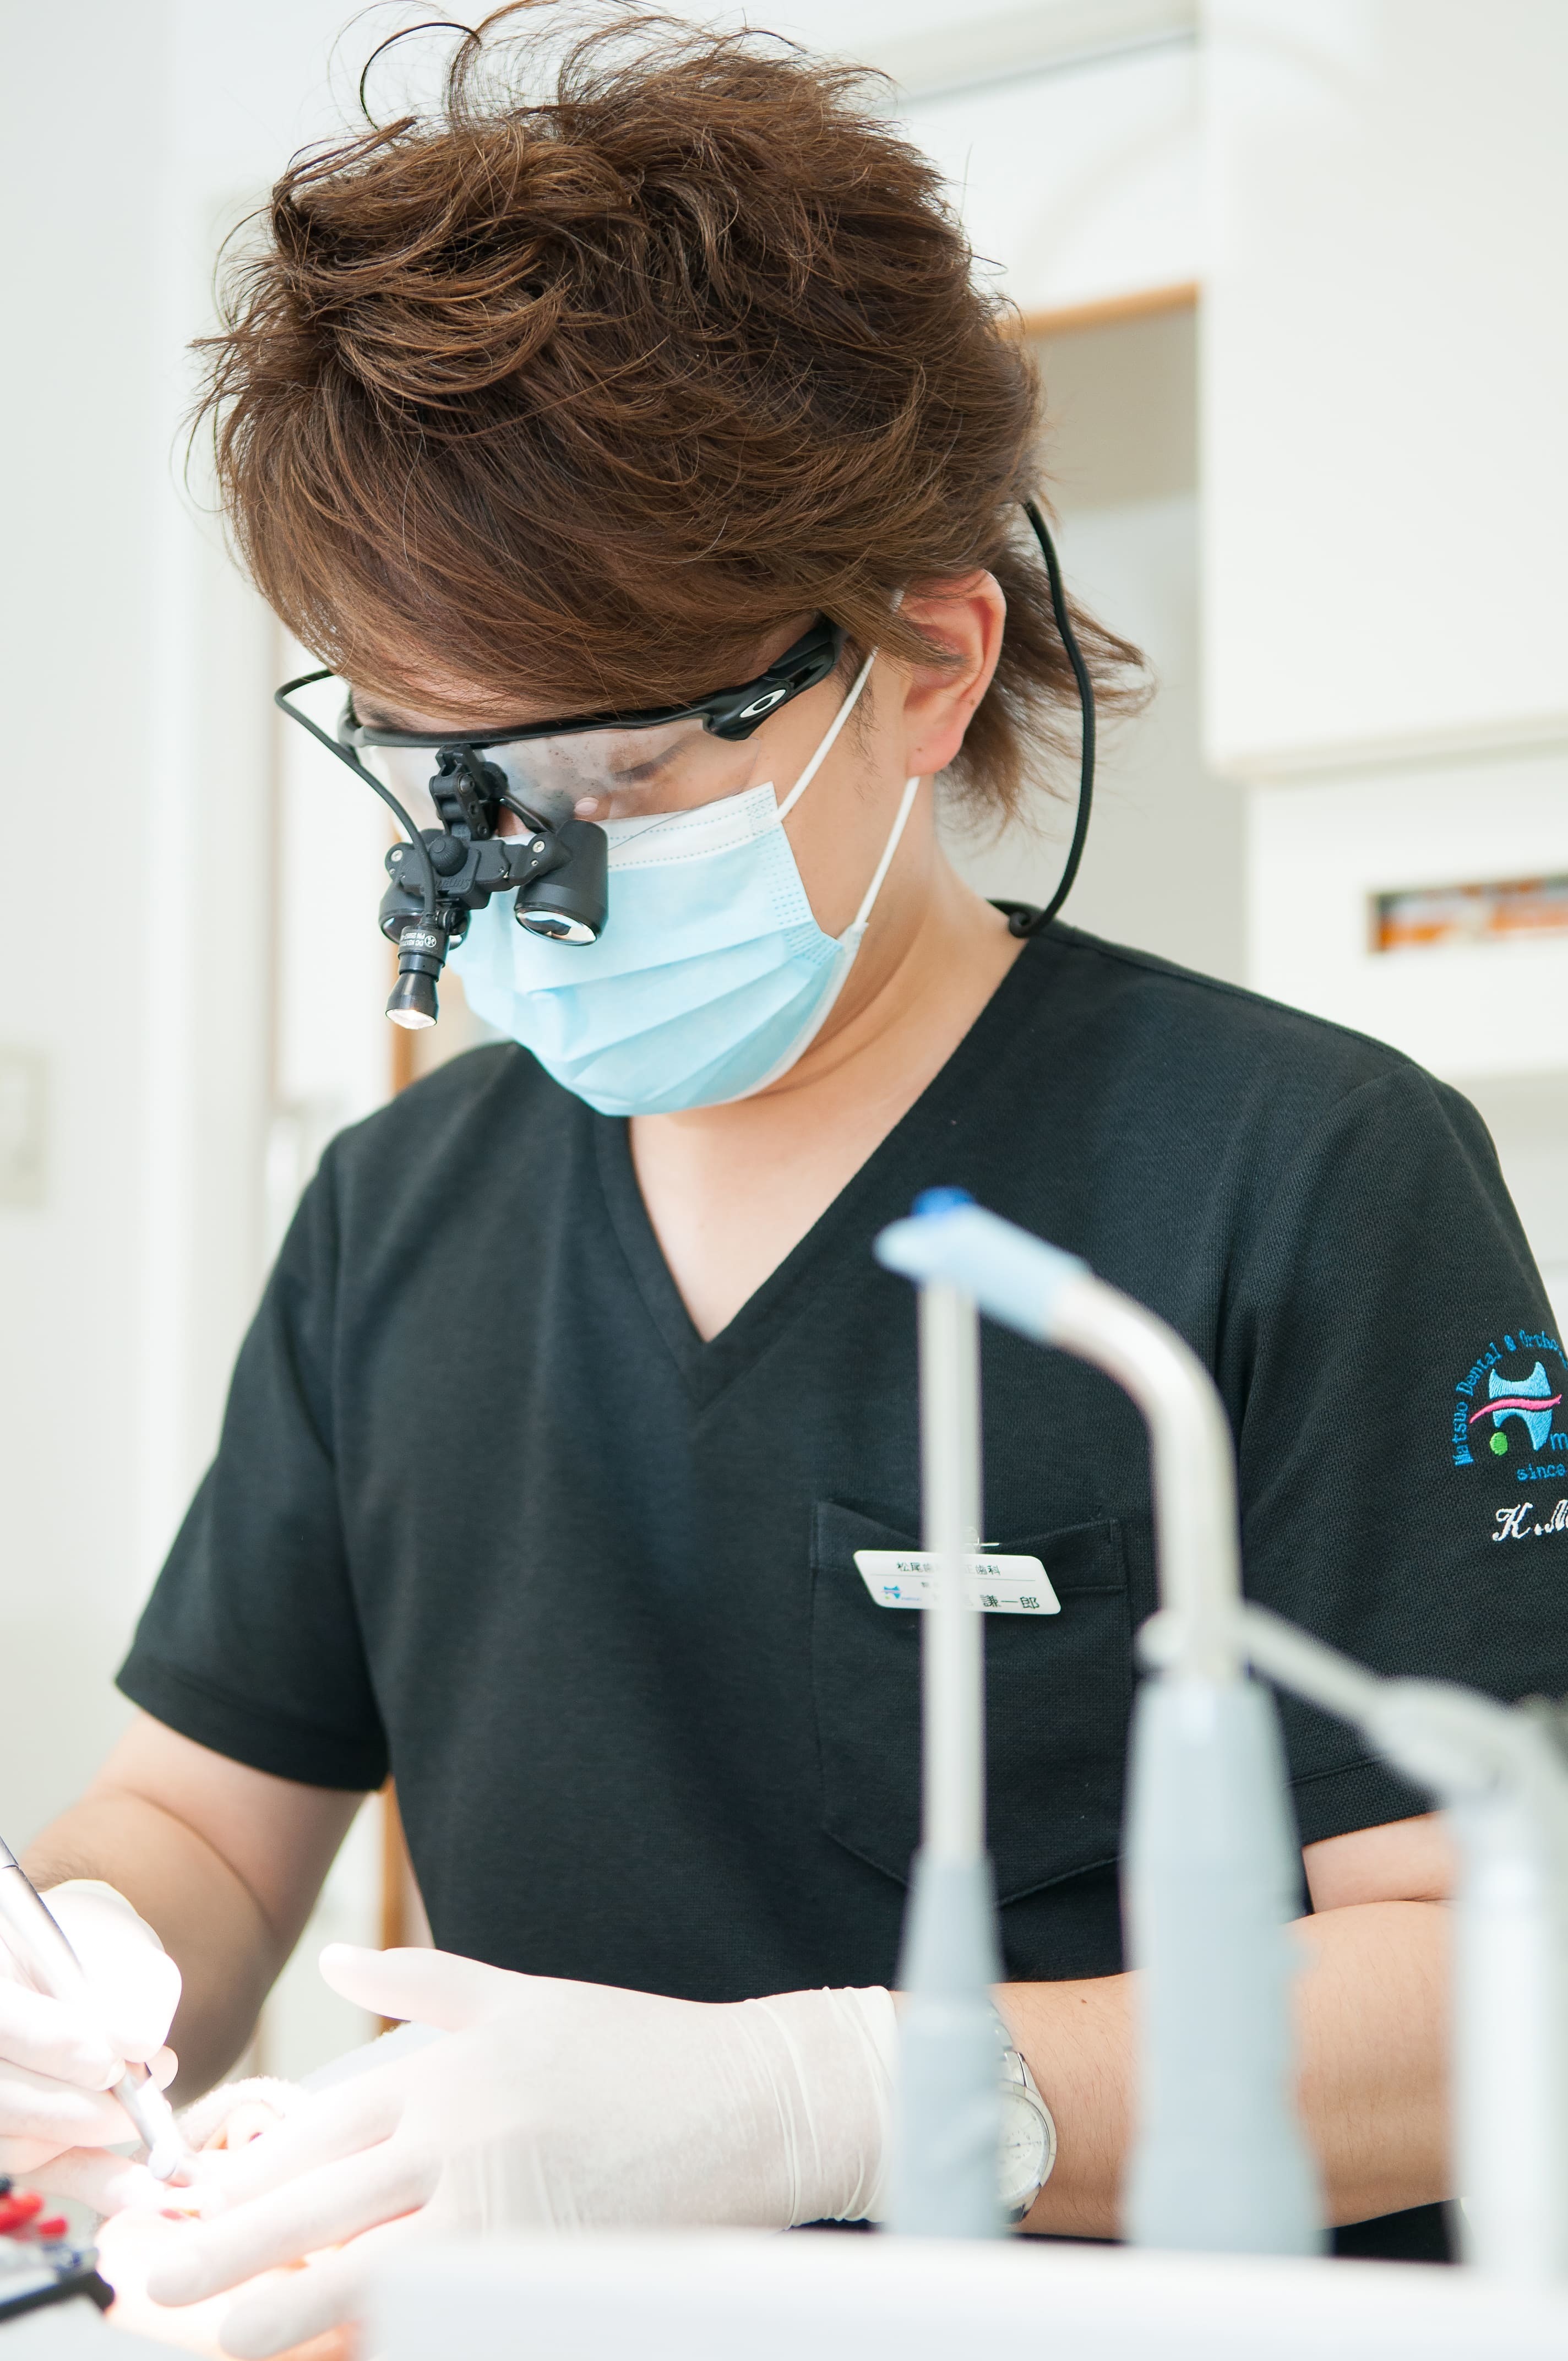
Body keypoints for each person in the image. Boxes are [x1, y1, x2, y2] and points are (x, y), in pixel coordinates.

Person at [6, 6, 1565, 2350]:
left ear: (927, 663)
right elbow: (204, 1819)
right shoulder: (397, 1213)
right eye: (450, 785)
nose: (525, 878)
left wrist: (830, 2097)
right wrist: (86, 1964)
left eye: (618, 779)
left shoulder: (1300, 1170)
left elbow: (1480, 1995)